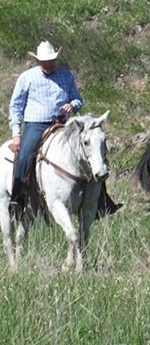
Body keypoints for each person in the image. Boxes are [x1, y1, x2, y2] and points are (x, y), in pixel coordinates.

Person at [8, 40, 120, 215]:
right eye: (45, 61)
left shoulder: (66, 75)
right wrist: (16, 133)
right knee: (24, 155)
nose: (48, 63)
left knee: (91, 152)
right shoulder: (26, 78)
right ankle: (18, 198)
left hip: (63, 124)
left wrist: (72, 105)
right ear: (38, 61)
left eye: (51, 60)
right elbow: (15, 107)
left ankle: (102, 201)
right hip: (36, 125)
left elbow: (77, 98)